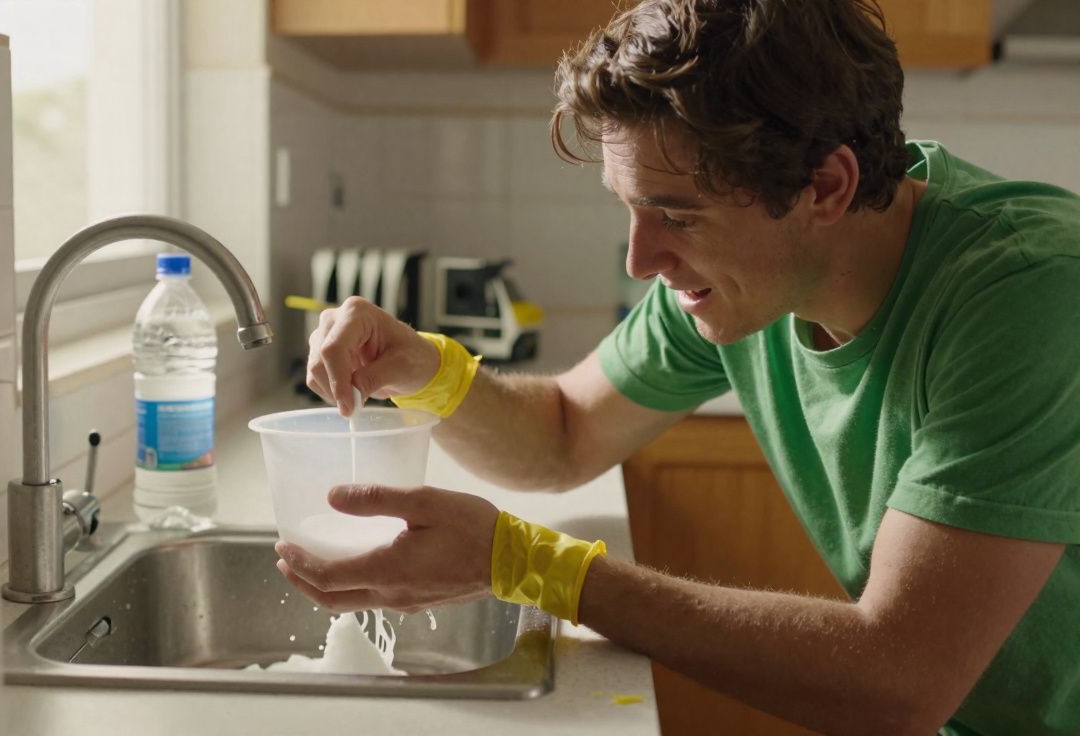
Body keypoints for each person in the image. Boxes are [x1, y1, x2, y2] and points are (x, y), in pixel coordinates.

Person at [276, 1, 1080, 733]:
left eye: (674, 215)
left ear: (825, 188)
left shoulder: (1029, 292)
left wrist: (528, 567)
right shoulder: (747, 281)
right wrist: (426, 370)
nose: (638, 258)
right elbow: (562, 434)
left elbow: (897, 680)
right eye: (630, 208)